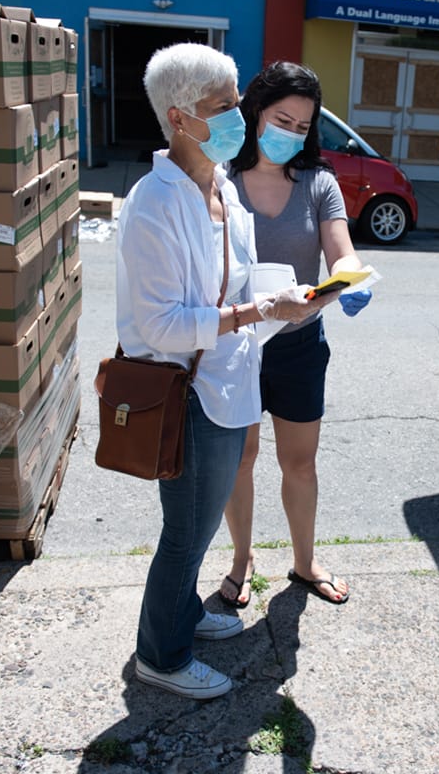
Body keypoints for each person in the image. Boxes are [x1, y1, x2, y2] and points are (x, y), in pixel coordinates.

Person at [118, 44, 332, 700]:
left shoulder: (219, 188)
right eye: (224, 106)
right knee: (186, 532)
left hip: (225, 385)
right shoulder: (153, 204)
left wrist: (277, 304)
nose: (239, 115)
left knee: (200, 525)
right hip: (183, 395)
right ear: (180, 118)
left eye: (238, 99)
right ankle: (162, 654)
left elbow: (235, 286)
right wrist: (256, 310)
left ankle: (183, 616)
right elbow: (161, 326)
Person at [219, 61, 372, 609]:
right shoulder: (221, 180)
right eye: (282, 119)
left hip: (300, 344)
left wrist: (349, 280)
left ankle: (304, 561)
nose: (291, 133)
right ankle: (242, 559)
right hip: (235, 342)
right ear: (255, 111)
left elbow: (341, 250)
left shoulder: (319, 183)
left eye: (303, 126)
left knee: (299, 463)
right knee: (239, 459)